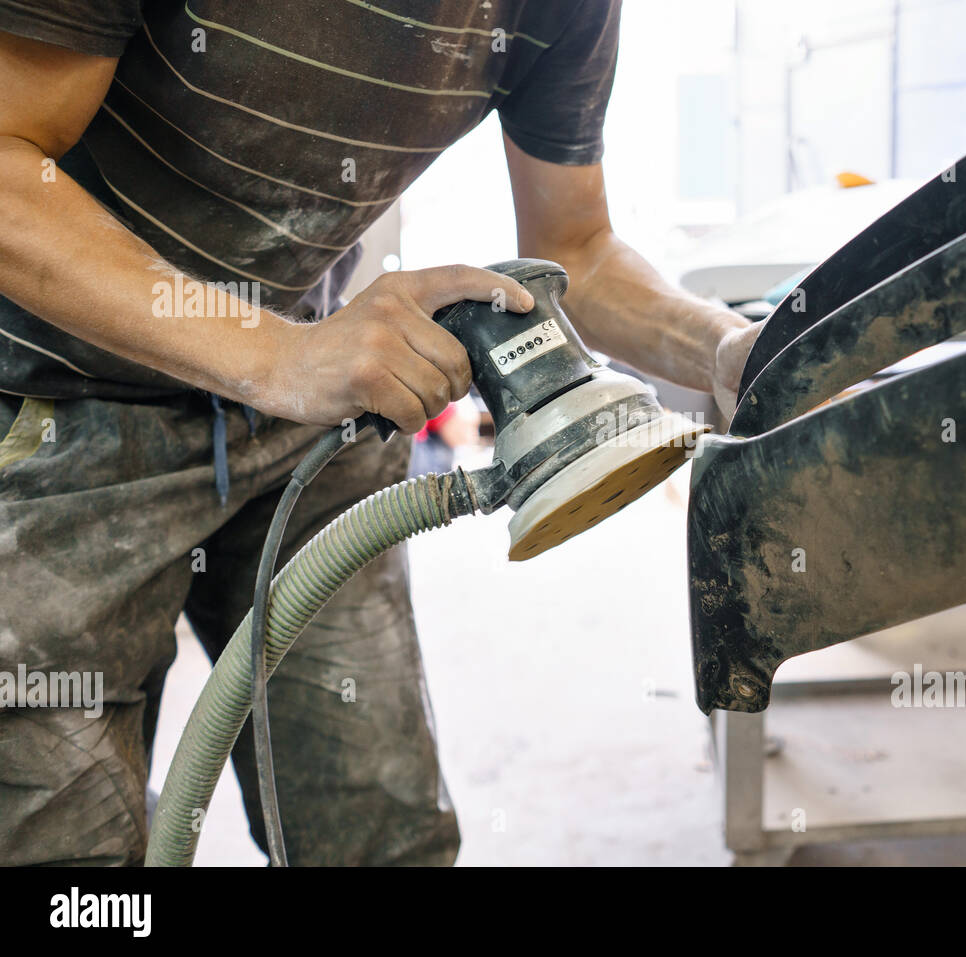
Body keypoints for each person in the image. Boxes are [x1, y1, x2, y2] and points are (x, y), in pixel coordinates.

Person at [0, 0, 761, 865]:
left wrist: (723, 348)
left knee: (379, 830)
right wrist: (276, 355)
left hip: (304, 417)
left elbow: (575, 248)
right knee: (66, 860)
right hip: (54, 411)